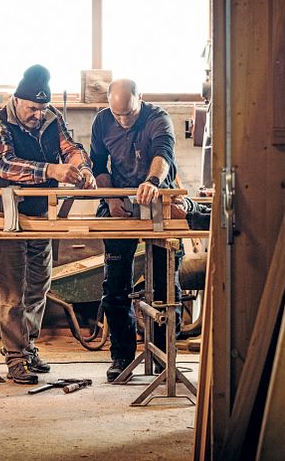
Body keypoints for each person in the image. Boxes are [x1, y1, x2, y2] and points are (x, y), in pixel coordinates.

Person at [0, 64, 96, 384]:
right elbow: (5, 165)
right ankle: (15, 357)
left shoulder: (51, 119)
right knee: (11, 293)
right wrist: (52, 171)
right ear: (17, 101)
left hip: (40, 216)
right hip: (6, 217)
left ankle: (28, 346)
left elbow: (70, 149)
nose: (37, 114)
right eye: (32, 108)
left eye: (42, 108)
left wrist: (81, 167)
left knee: (38, 286)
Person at [89, 79, 186, 382]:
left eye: (129, 114)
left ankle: (162, 353)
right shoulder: (102, 121)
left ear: (140, 99)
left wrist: (153, 182)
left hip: (157, 199)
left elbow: (163, 153)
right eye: (117, 115)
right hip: (120, 203)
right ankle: (122, 355)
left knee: (163, 284)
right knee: (115, 286)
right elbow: (98, 165)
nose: (123, 120)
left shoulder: (158, 117)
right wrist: (110, 197)